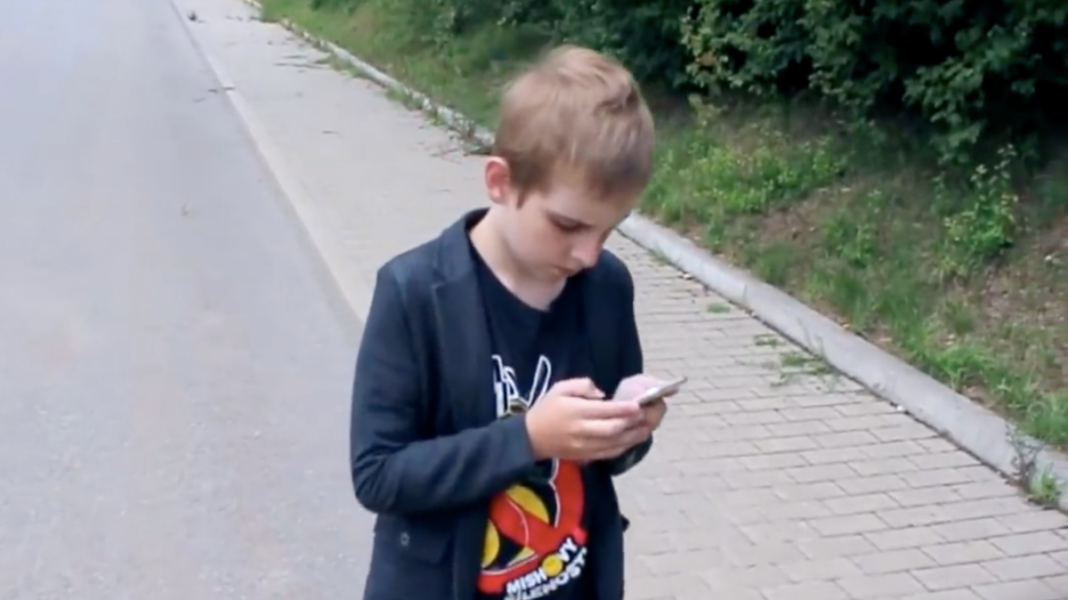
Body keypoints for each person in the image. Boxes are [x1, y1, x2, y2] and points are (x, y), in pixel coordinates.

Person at [349, 44, 673, 600]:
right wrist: (528, 439)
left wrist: (626, 431)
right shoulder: (414, 293)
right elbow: (378, 475)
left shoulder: (606, 287)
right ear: (500, 182)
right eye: (567, 225)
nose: (588, 254)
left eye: (609, 229)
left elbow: (608, 462)